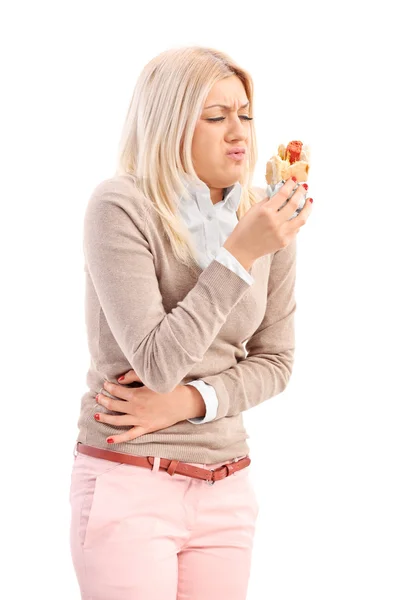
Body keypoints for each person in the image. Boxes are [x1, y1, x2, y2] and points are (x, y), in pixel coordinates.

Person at [69, 45, 313, 600]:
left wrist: (192, 401)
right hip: (131, 477)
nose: (240, 133)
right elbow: (156, 363)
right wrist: (237, 257)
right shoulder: (121, 206)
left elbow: (277, 361)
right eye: (217, 116)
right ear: (172, 122)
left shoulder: (265, 214)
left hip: (227, 485)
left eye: (245, 115)